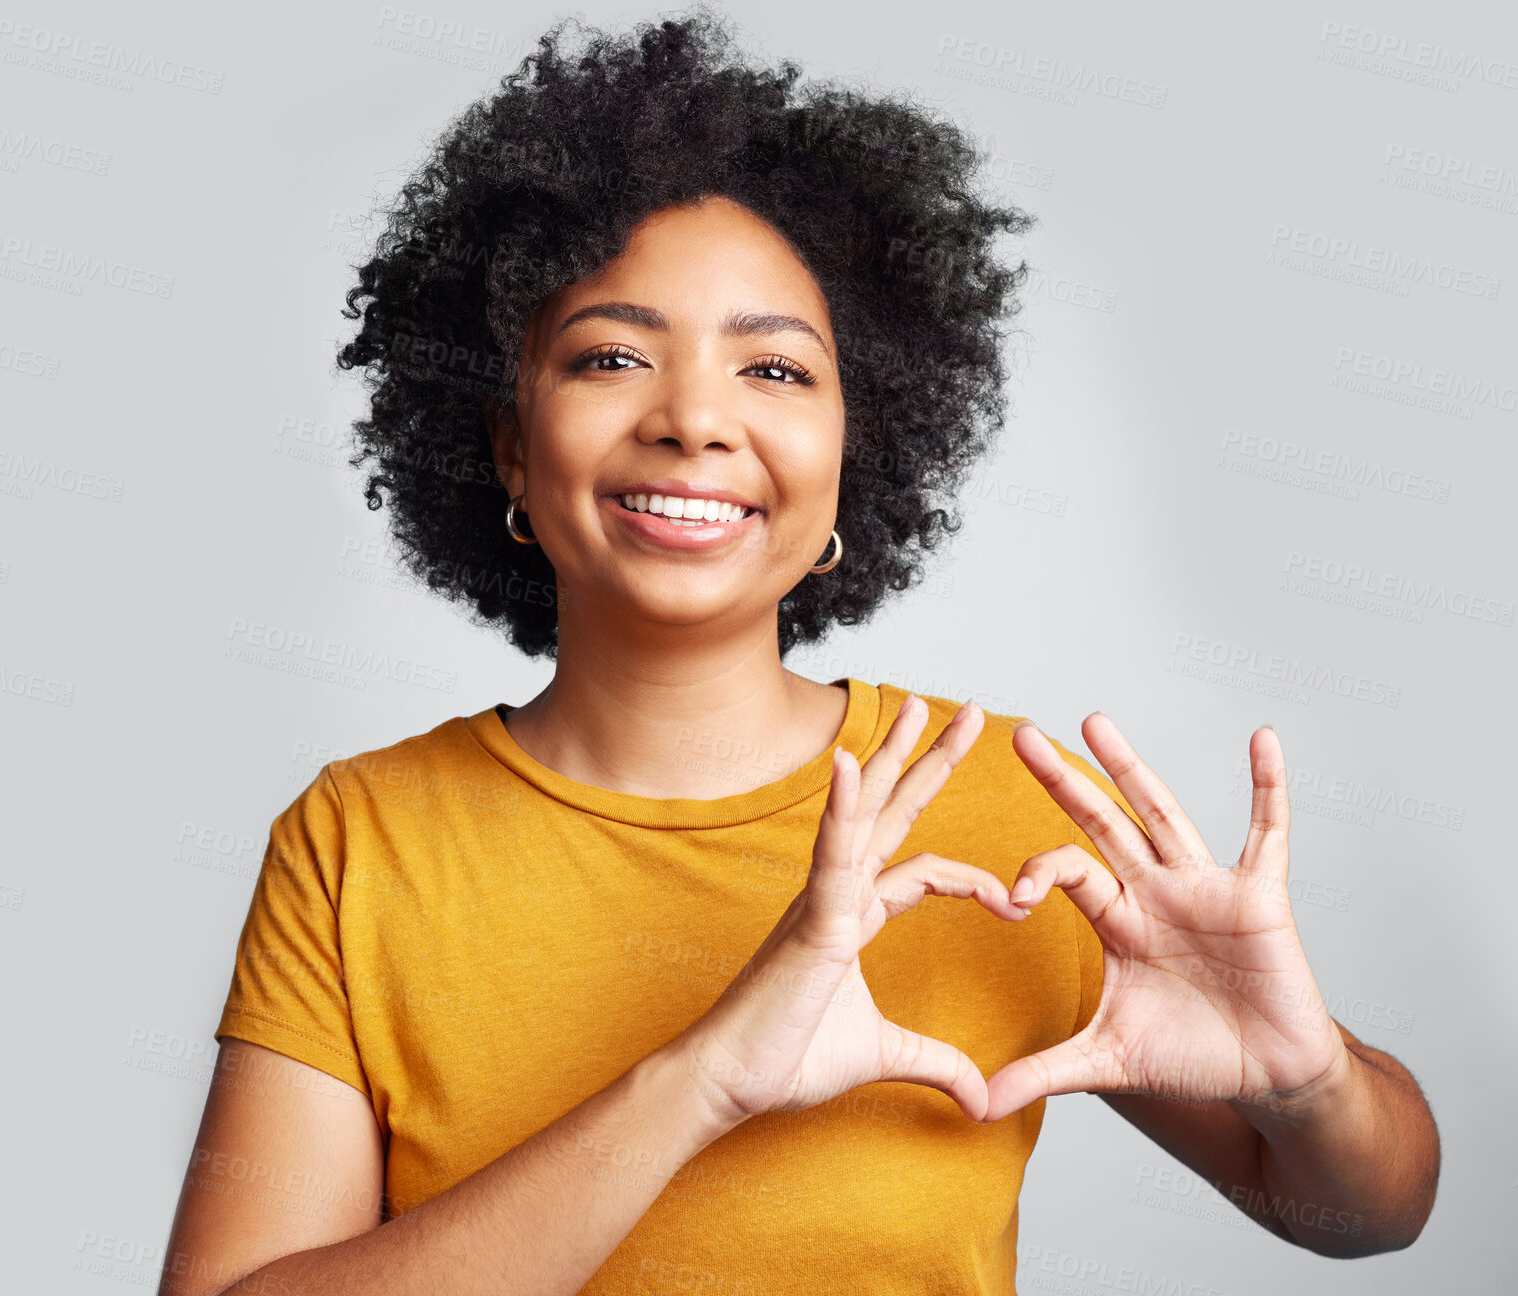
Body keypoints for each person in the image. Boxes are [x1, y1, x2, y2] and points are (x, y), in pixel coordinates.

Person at [159, 10, 1438, 1294]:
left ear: (849, 458)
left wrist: (1309, 1078)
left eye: (774, 370)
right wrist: (704, 1077)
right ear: (507, 446)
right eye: (611, 356)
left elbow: (1362, 1220)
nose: (696, 421)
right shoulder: (362, 841)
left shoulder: (987, 801)